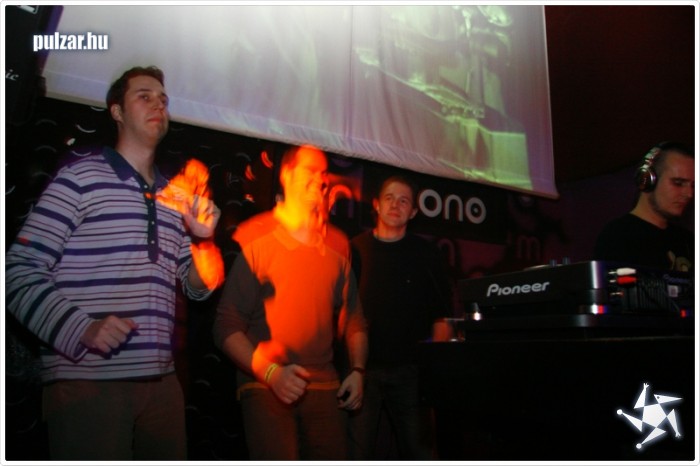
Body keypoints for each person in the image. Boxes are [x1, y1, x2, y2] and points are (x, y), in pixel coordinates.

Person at [4, 65, 224, 461]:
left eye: (163, 99)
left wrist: (204, 240)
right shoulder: (79, 178)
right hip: (87, 382)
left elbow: (198, 288)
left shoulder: (175, 198)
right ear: (117, 111)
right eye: (144, 96)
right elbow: (16, 271)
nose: (158, 104)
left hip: (162, 384)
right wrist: (81, 328)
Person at [213, 144, 368, 461]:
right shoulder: (254, 236)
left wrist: (357, 370)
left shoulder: (338, 243)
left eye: (323, 173)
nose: (319, 179)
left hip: (324, 385)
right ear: (286, 174)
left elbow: (353, 318)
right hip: (265, 385)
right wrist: (270, 373)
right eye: (309, 170)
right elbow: (225, 326)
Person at [348, 174, 454, 460]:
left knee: (420, 453)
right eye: (389, 198)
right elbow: (341, 311)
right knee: (355, 454)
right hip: (362, 371)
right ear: (376, 204)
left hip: (412, 374)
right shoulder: (354, 249)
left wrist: (434, 371)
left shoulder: (427, 254)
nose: (396, 205)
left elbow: (442, 316)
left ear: (414, 212)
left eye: (404, 201)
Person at [593, 141, 694, 271]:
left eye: (693, 186)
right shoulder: (617, 237)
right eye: (678, 183)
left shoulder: (687, 240)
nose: (689, 194)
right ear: (647, 180)